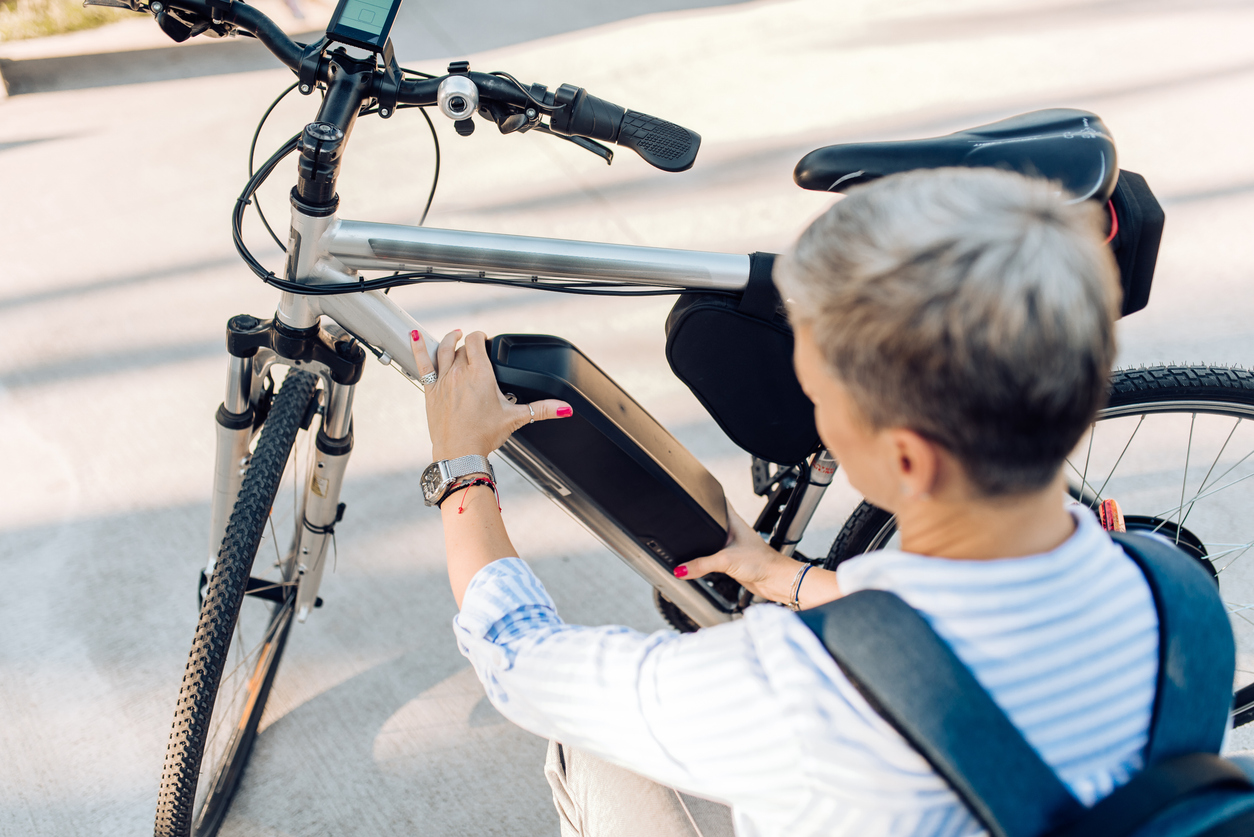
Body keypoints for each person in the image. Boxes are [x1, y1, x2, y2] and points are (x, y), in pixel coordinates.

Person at [408, 167, 1157, 837]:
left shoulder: (799, 689)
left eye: (822, 396)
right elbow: (938, 633)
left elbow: (519, 658)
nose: (815, 419)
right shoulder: (1161, 589)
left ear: (905, 455)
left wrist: (461, 463)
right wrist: (780, 575)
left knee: (588, 739)